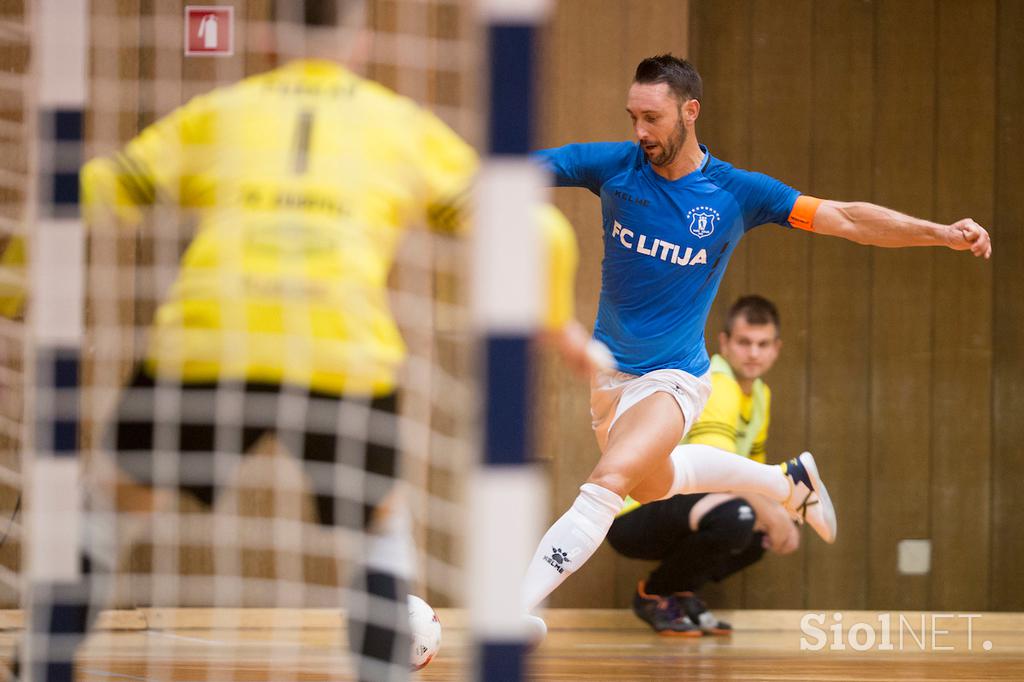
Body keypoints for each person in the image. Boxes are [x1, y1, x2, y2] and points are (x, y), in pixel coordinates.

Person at [13, 3, 596, 681]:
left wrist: (9, 293)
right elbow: (540, 229)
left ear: (266, 39)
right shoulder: (397, 124)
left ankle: (40, 666)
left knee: (107, 511)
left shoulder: (219, 111)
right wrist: (560, 328)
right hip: (339, 353)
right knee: (379, 530)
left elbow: (79, 193)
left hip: (207, 344)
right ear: (359, 41)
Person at [520, 53, 991, 630]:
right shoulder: (614, 168)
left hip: (674, 376)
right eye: (633, 117)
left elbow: (845, 217)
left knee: (608, 484)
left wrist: (939, 233)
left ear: (690, 112)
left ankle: (512, 611)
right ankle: (785, 482)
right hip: (609, 379)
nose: (640, 131)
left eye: (653, 118)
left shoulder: (736, 193)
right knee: (659, 483)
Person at [606, 295, 799, 635]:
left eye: (762, 344)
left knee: (759, 529)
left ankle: (680, 594)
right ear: (724, 343)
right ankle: (652, 594)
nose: (753, 353)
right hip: (635, 512)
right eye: (744, 342)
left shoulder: (760, 396)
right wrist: (772, 514)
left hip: (684, 505)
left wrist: (780, 516)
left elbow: (752, 473)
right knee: (741, 515)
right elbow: (721, 474)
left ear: (775, 349)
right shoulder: (718, 387)